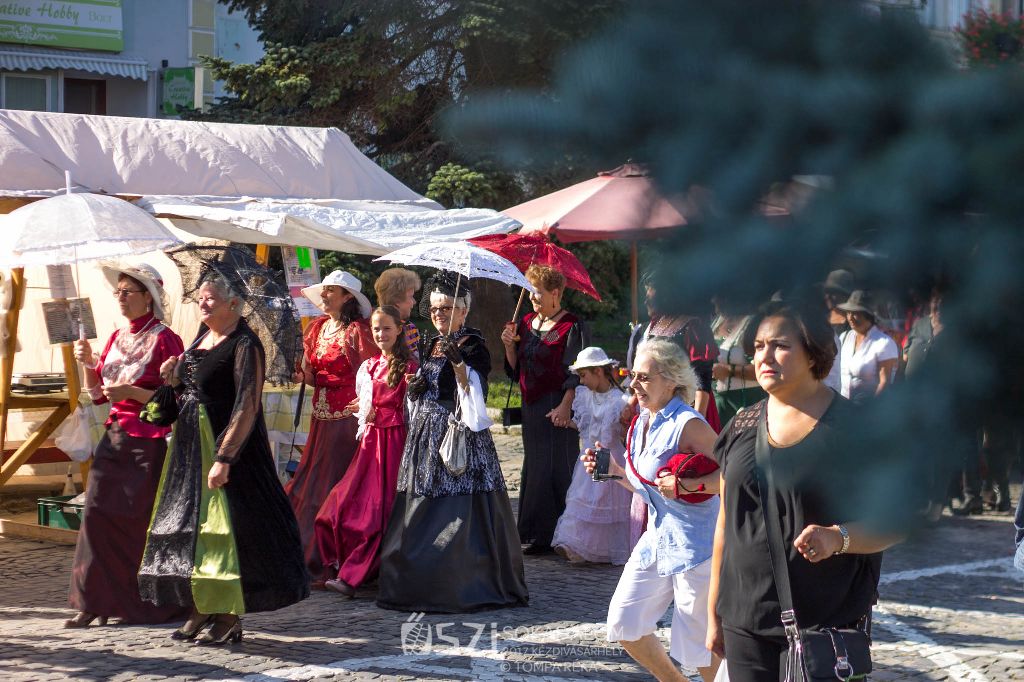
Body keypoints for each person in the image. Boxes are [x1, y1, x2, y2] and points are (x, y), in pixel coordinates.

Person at [706, 298, 901, 682]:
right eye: (759, 346)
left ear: (814, 353)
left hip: (824, 626)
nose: (765, 356)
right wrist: (713, 610)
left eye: (780, 345)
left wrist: (838, 538)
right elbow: (726, 523)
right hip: (745, 621)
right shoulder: (742, 424)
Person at [139, 274, 308, 644]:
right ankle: (202, 607)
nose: (203, 304)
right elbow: (193, 388)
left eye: (211, 298)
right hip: (189, 450)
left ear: (234, 304)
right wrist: (175, 376)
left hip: (228, 451)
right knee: (194, 529)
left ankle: (228, 615)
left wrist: (225, 457)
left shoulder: (245, 344)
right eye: (201, 298)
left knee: (226, 532)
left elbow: (247, 404)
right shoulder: (200, 339)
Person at [377, 273, 528, 613]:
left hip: (457, 434)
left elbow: (474, 391)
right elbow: (426, 381)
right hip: (425, 433)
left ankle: (458, 583)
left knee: (459, 508)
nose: (439, 314)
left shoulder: (473, 343)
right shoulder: (430, 341)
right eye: (433, 309)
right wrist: (415, 389)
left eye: (446, 308)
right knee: (417, 504)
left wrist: (459, 361)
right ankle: (414, 581)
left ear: (463, 311)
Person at [583, 338, 722, 682]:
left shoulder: (689, 423)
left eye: (644, 377)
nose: (633, 384)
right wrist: (615, 472)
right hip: (657, 540)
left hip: (697, 547)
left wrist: (689, 485)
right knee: (624, 621)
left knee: (699, 648)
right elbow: (649, 488)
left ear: (671, 380)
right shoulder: (643, 422)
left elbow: (736, 474)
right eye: (633, 376)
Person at [65, 264, 187, 628]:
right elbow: (98, 395)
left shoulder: (167, 339)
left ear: (147, 296)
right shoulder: (117, 336)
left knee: (139, 520)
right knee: (97, 514)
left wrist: (134, 392)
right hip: (116, 435)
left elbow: (177, 398)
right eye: (118, 291)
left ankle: (143, 601)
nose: (120, 297)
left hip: (150, 439)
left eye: (127, 291)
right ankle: (93, 601)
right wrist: (88, 364)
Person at [314, 305, 417, 597]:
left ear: (399, 329)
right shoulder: (370, 365)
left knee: (378, 510)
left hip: (394, 442)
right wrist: (363, 408)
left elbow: (410, 409)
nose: (381, 333)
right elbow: (368, 400)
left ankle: (356, 575)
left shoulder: (408, 367)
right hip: (371, 443)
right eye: (376, 328)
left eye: (386, 328)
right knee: (340, 503)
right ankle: (343, 564)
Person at [285, 270, 376, 578]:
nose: (323, 296)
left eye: (330, 291)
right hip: (320, 416)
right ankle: (303, 548)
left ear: (347, 297)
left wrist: (365, 404)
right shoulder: (317, 328)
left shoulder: (357, 331)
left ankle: (336, 554)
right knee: (312, 483)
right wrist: (302, 375)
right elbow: (311, 376)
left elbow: (371, 372)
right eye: (323, 291)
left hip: (346, 419)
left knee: (335, 484)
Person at [502, 264, 587, 554]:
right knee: (536, 466)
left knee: (559, 466)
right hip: (531, 405)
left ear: (556, 293)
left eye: (538, 295)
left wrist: (566, 405)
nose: (533, 300)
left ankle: (565, 535)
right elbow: (517, 371)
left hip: (558, 403)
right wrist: (509, 347)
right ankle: (535, 535)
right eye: (530, 294)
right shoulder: (525, 322)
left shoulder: (571, 325)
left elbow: (577, 372)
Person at [551, 347, 632, 565]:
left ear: (598, 371)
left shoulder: (620, 400)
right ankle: (576, 545)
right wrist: (568, 422)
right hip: (588, 457)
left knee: (605, 501)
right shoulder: (584, 396)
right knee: (583, 500)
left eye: (584, 375)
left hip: (609, 456)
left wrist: (625, 424)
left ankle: (606, 548)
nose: (582, 381)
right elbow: (584, 425)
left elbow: (623, 433)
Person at [836, 290, 899, 403]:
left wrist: (869, 412)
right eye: (848, 312)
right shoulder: (844, 337)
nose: (850, 317)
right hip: (843, 409)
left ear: (868, 314)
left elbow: (884, 384)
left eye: (855, 313)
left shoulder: (884, 343)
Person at [711, 295, 765, 426]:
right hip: (716, 404)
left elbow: (764, 368)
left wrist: (728, 371)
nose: (713, 300)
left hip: (744, 403)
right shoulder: (718, 321)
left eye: (718, 296)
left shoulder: (753, 324)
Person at [374, 267, 422, 357]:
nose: (414, 302)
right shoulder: (409, 329)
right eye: (411, 296)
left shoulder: (370, 327)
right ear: (397, 301)